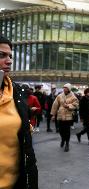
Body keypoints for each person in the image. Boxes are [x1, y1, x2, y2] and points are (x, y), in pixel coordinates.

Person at [0, 35, 38, 188]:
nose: (9, 61)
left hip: (17, 183)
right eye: (1, 55)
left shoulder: (16, 90)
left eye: (10, 56)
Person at [51, 83, 79, 152]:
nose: (64, 89)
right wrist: (53, 115)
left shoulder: (73, 96)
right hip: (60, 116)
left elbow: (76, 105)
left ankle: (67, 144)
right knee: (60, 130)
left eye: (66, 88)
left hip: (68, 116)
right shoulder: (59, 96)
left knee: (67, 131)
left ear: (69, 89)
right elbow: (55, 105)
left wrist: (69, 106)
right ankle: (63, 139)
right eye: (64, 87)